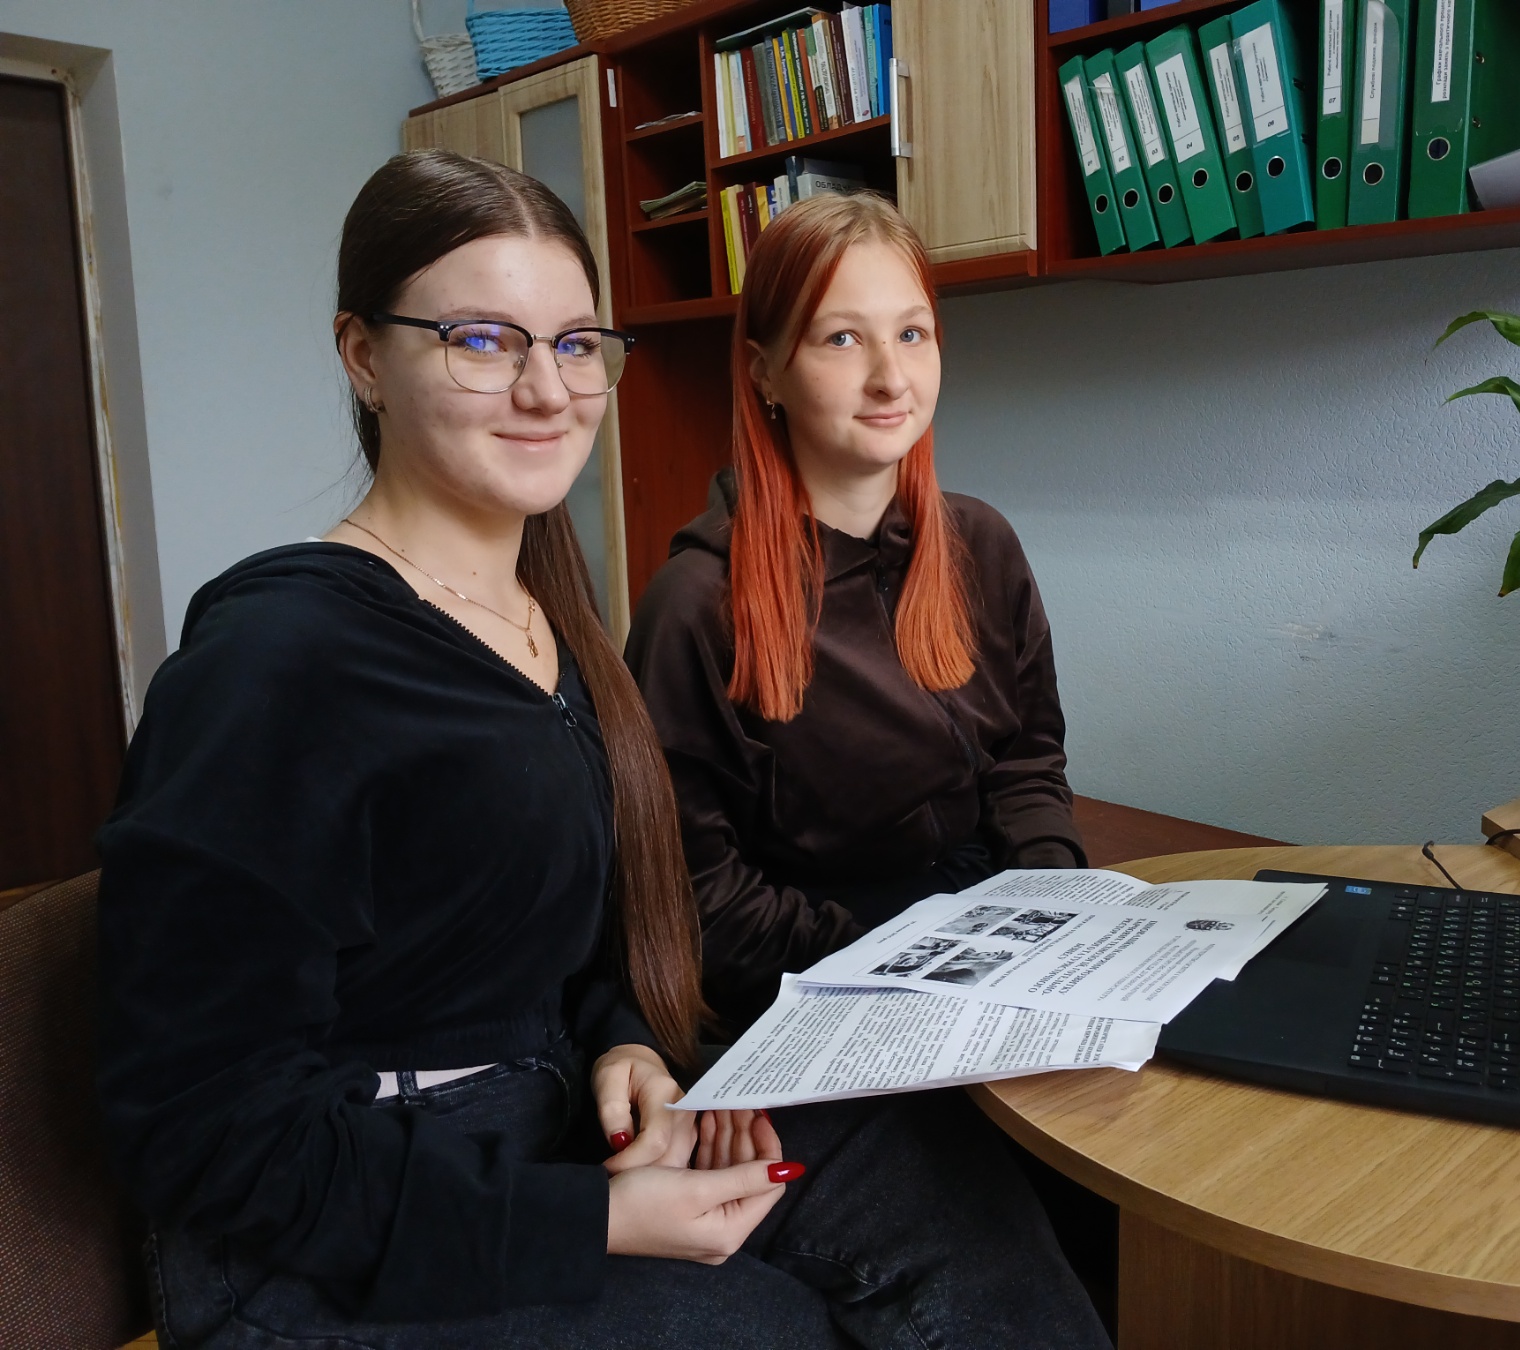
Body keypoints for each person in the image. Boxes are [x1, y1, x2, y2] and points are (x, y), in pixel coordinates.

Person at [94, 150, 1111, 1349]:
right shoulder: (276, 661)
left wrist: (625, 1040)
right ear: (363, 355)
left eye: (576, 344)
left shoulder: (551, 631)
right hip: (335, 1247)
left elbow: (560, 937)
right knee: (780, 1328)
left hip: (540, 1129)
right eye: (482, 340)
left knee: (937, 1172)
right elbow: (200, 1128)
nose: (546, 389)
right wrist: (592, 1217)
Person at [626, 193, 1085, 1032]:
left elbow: (1026, 767)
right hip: (815, 982)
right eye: (841, 338)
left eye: (912, 334)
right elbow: (700, 903)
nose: (891, 378)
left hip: (993, 945)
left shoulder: (982, 544)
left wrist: (1057, 909)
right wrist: (918, 961)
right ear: (765, 371)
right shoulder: (694, 608)